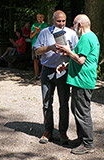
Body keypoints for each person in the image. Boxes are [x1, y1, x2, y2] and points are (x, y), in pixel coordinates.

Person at [56, 14, 100, 154]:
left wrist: (68, 51)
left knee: (82, 112)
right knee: (76, 109)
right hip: (79, 79)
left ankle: (88, 144)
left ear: (79, 25)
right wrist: (67, 66)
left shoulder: (87, 37)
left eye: (73, 24)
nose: (72, 27)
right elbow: (84, 60)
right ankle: (82, 138)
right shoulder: (88, 37)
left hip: (83, 81)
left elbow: (81, 60)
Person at [34, 10, 78, 144]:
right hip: (47, 70)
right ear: (53, 20)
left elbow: (77, 53)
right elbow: (37, 50)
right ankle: (48, 131)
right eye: (59, 21)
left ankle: (63, 132)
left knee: (64, 103)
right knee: (47, 102)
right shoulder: (45, 32)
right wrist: (50, 48)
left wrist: (67, 55)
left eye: (63, 21)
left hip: (63, 71)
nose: (61, 23)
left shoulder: (71, 33)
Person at [30, 13, 48, 80]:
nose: (39, 18)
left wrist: (39, 31)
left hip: (42, 44)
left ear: (43, 18)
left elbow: (46, 34)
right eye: (38, 17)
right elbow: (31, 36)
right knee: (35, 60)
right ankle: (36, 75)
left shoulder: (45, 25)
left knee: (43, 60)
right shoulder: (34, 25)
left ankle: (43, 75)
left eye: (40, 17)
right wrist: (35, 31)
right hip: (34, 44)